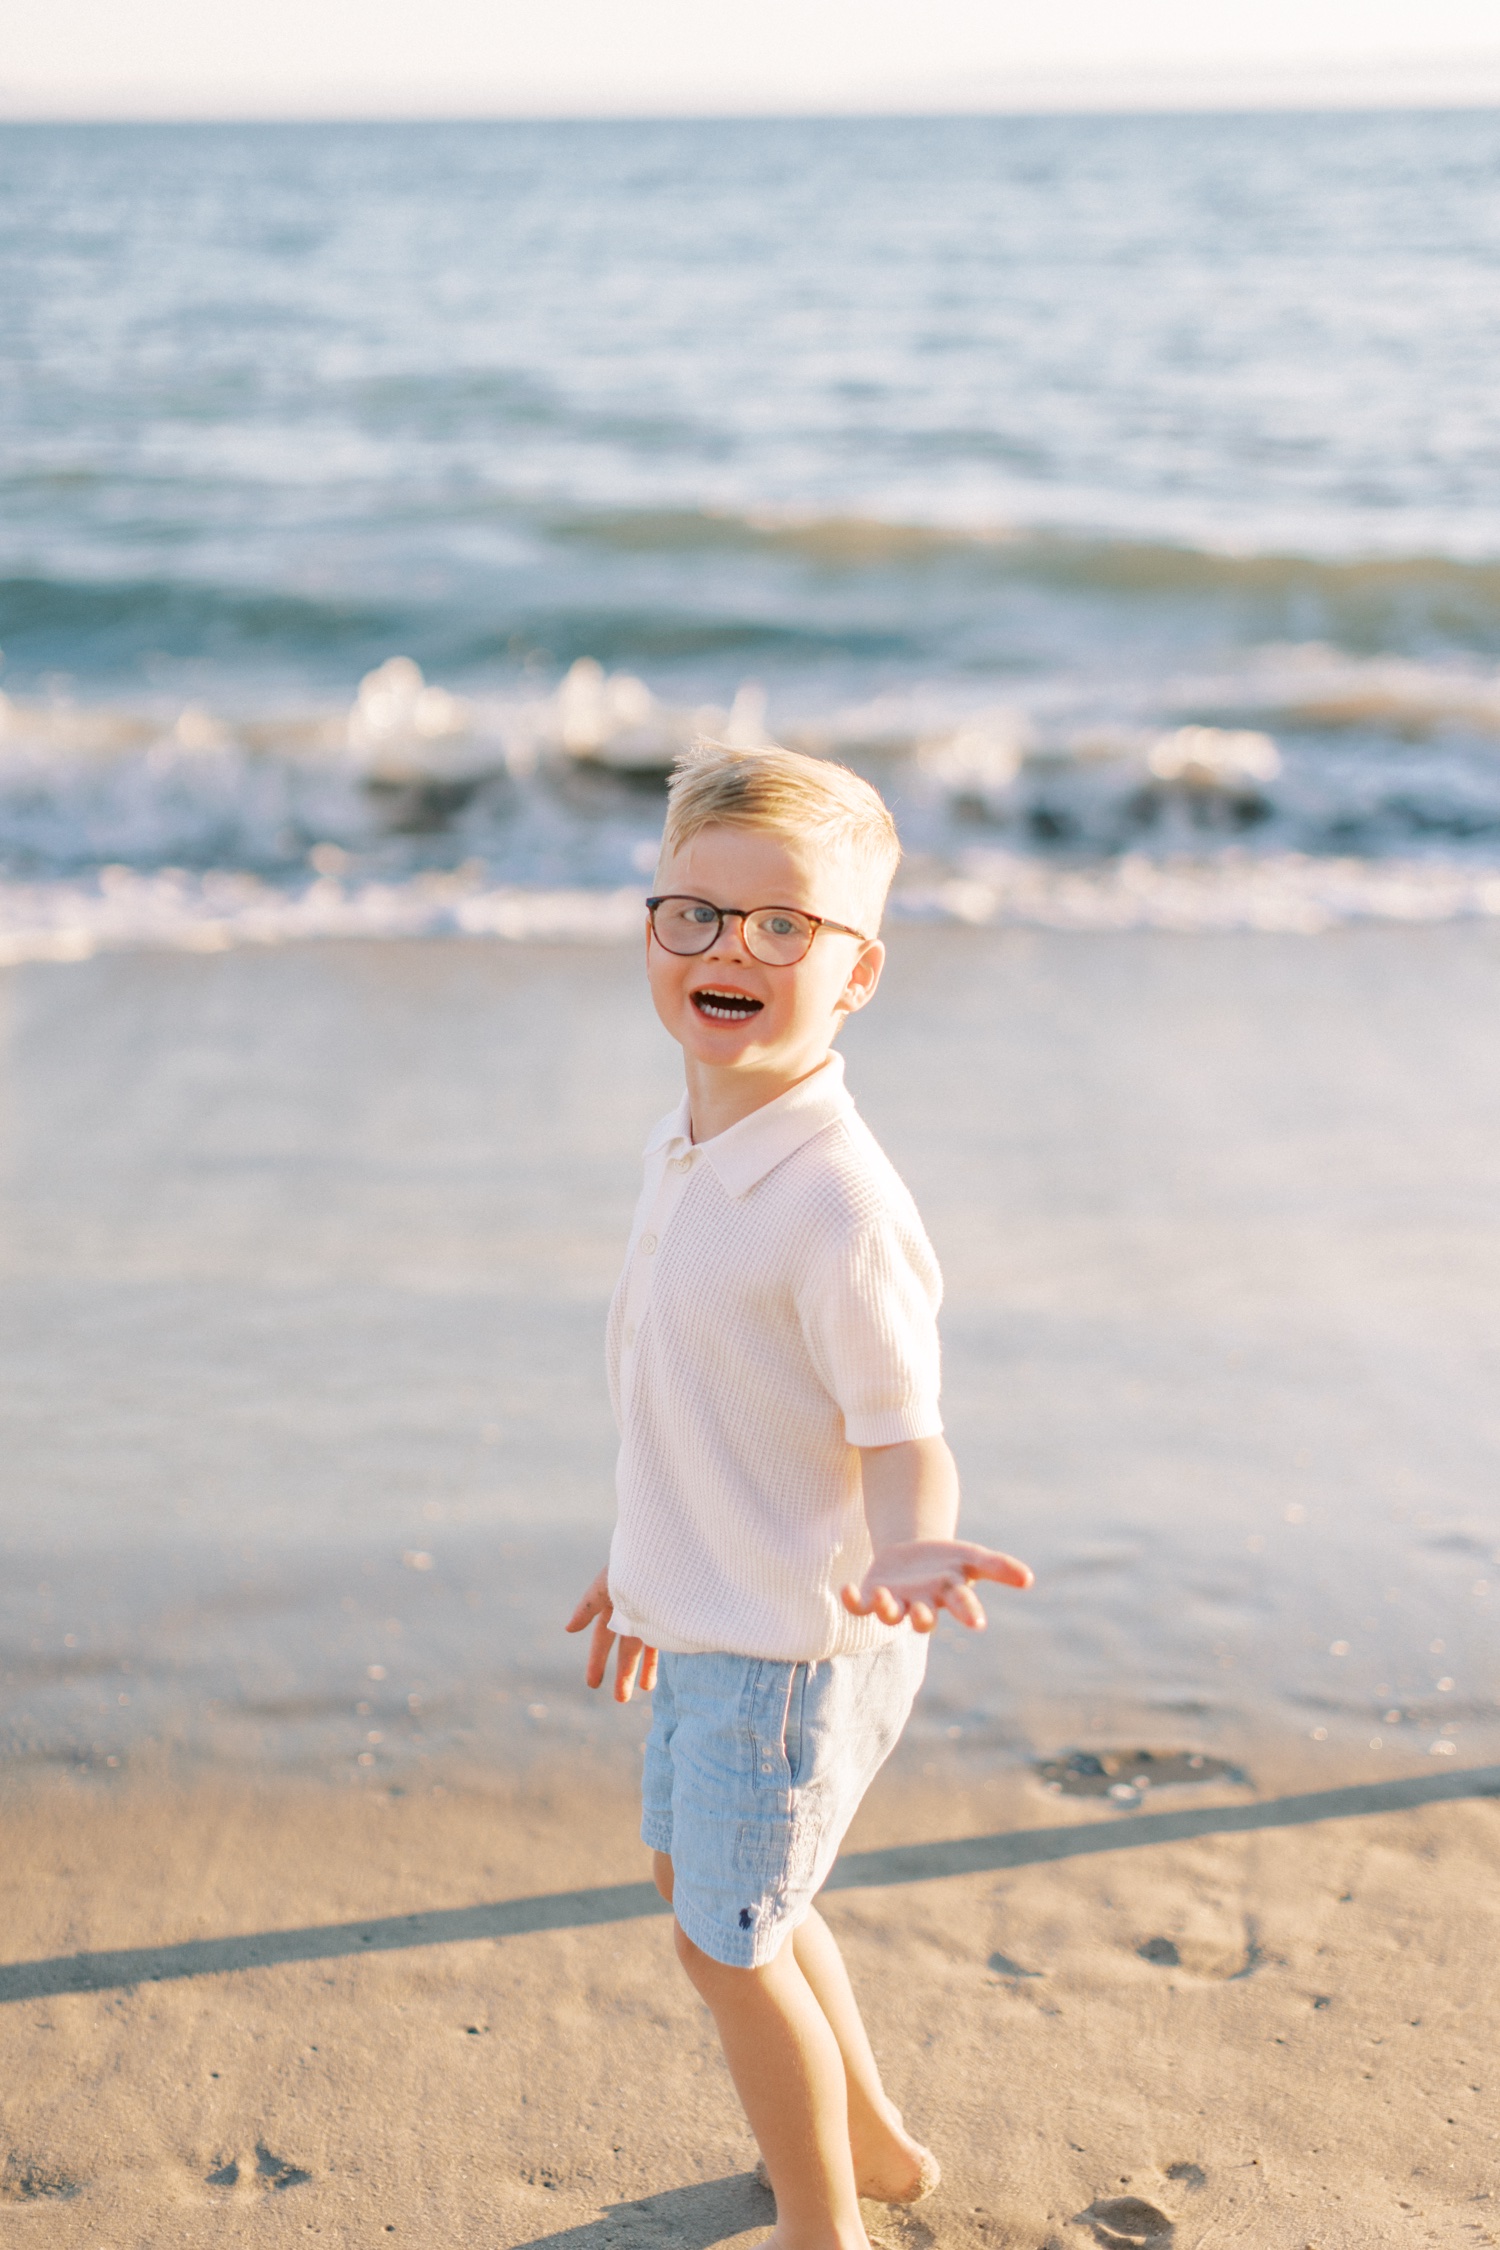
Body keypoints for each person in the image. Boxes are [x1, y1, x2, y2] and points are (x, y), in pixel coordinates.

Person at [567, 742, 1032, 2250]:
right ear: (651, 929)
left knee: (730, 1941)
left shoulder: (838, 1200)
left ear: (858, 972)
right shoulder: (690, 1138)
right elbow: (687, 1397)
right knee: (715, 1892)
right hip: (705, 1608)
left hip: (785, 1646)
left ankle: (823, 2226)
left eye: (784, 926)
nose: (731, 950)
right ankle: (880, 2140)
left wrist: (911, 1545)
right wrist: (638, 1566)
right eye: (694, 913)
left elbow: (902, 1429)